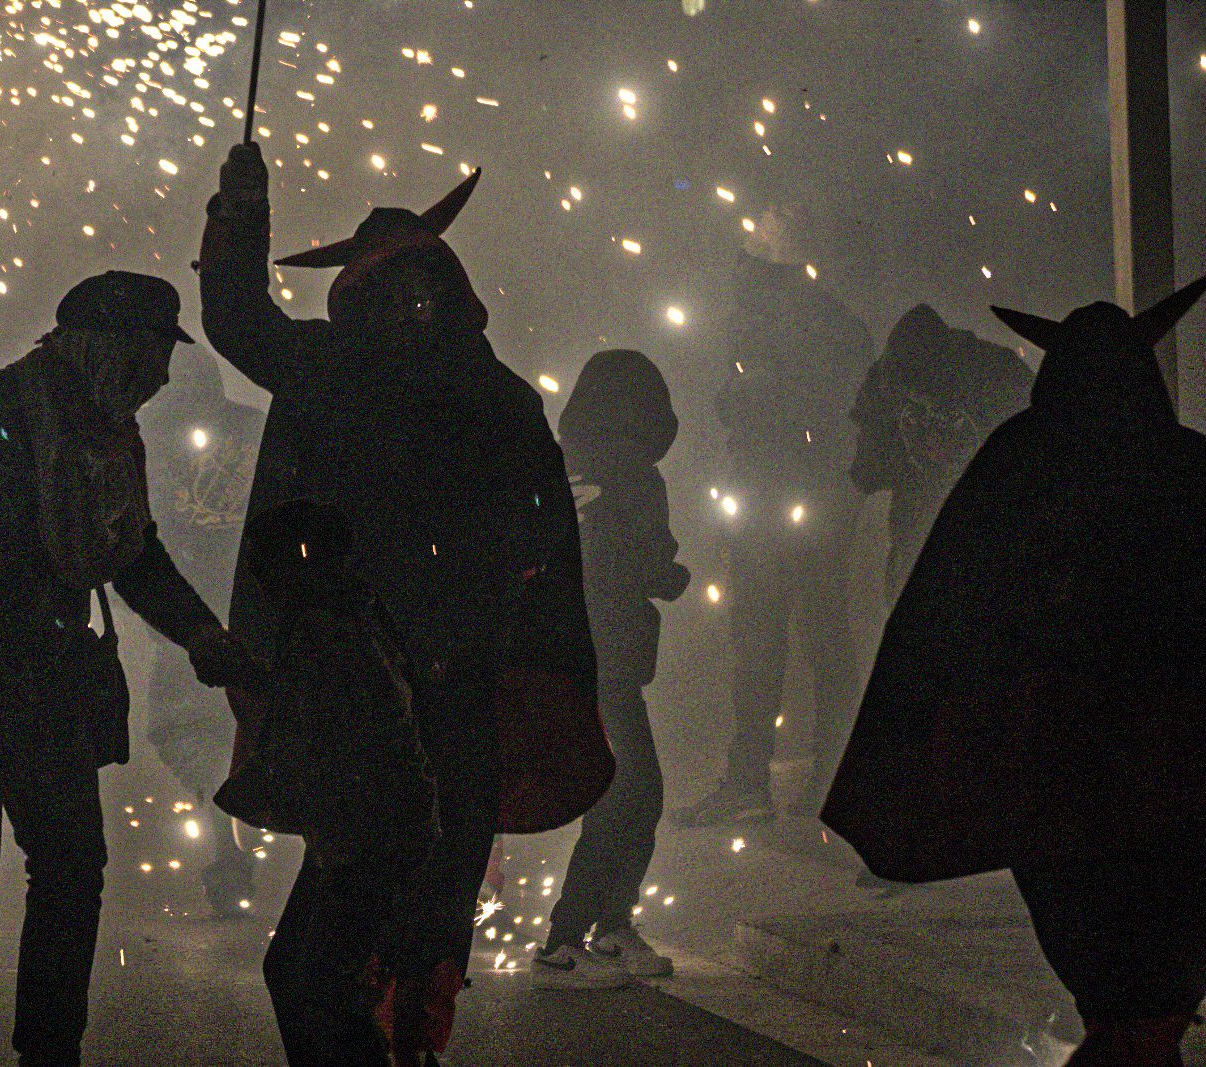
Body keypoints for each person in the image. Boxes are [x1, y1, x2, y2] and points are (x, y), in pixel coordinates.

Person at [200, 143, 610, 1065]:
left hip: (449, 698)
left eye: (420, 293)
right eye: (386, 295)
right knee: (320, 966)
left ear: (449, 293)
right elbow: (238, 320)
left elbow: (538, 537)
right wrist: (239, 214)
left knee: (386, 958)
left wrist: (475, 611)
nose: (406, 312)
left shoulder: (496, 400)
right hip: (357, 703)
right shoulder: (329, 371)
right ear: (356, 301)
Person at [822, 279, 1206, 1067]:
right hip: (1172, 776)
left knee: (1111, 972)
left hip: (1051, 776)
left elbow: (947, 610)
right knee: (1156, 973)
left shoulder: (1017, 464)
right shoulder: (1186, 467)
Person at [0, 271, 259, 1067]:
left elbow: (131, 549)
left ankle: (50, 1049)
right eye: (149, 357)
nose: (159, 378)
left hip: (47, 680)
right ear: (101, 347)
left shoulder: (106, 435)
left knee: (69, 868)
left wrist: (198, 630)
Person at [216, 499, 440, 1066]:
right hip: (365, 834)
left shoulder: (331, 630)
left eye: (264, 565)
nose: (258, 583)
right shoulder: (340, 618)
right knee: (299, 978)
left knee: (321, 989)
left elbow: (338, 740)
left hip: (368, 837)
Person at [677, 203, 872, 826]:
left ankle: (776, 783)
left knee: (783, 642)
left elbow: (778, 410)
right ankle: (810, 780)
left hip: (789, 501)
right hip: (798, 502)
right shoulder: (819, 321)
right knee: (804, 640)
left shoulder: (779, 323)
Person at [534, 350, 689, 989]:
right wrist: (672, 576)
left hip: (567, 655)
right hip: (611, 660)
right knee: (632, 795)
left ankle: (607, 927)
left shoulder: (557, 466)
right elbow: (651, 562)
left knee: (619, 794)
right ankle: (569, 939)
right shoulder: (636, 478)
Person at [138, 343, 265, 916]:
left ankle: (234, 836)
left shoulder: (247, 430)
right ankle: (230, 830)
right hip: (189, 606)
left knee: (209, 726)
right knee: (191, 727)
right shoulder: (145, 436)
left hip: (224, 603)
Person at [849, 303, 1032, 601]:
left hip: (989, 528)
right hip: (920, 535)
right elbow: (866, 473)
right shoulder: (884, 385)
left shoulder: (995, 374)